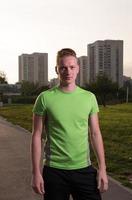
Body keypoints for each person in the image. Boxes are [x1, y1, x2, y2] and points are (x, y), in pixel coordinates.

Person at [31, 48, 108, 200]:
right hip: (54, 171)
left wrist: (103, 168)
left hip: (84, 169)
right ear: (56, 70)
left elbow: (95, 133)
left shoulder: (89, 98)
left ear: (78, 68)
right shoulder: (44, 98)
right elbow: (37, 135)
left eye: (72, 67)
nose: (68, 71)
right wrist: (36, 172)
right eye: (63, 68)